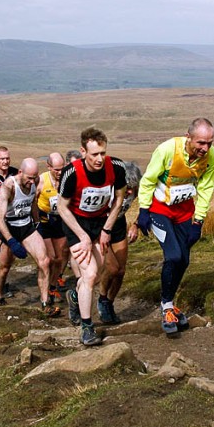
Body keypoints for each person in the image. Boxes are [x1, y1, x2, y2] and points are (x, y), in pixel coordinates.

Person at [136, 118, 214, 335]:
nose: (205, 148)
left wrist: (198, 221)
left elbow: (206, 188)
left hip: (184, 212)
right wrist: (144, 210)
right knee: (172, 256)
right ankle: (166, 307)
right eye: (201, 142)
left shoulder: (212, 157)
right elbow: (148, 180)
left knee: (184, 259)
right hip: (160, 210)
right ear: (188, 137)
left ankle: (171, 304)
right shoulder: (166, 150)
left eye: (209, 143)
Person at [58, 127, 128, 346]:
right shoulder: (71, 173)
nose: (99, 159)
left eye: (103, 153)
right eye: (94, 154)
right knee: (89, 275)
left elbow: (119, 198)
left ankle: (76, 298)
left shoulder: (116, 167)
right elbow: (62, 207)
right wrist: (82, 236)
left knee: (96, 274)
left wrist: (107, 228)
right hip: (76, 223)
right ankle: (87, 328)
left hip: (100, 222)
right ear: (83, 151)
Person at [0, 158, 60, 317]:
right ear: (20, 172)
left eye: (34, 177)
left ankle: (45, 303)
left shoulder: (36, 181)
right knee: (4, 266)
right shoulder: (9, 186)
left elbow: (33, 203)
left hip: (26, 226)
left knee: (44, 261)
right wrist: (10, 241)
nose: (32, 181)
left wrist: (37, 223)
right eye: (29, 178)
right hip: (8, 227)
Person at [96, 161, 142, 324]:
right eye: (127, 187)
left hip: (119, 225)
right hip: (100, 226)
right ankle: (101, 298)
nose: (129, 191)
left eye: (133, 188)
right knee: (113, 268)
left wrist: (136, 225)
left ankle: (109, 303)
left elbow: (147, 206)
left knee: (121, 271)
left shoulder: (136, 190)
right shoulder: (107, 189)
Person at [37, 152, 69, 302]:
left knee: (59, 258)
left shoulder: (66, 178)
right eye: (56, 169)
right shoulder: (42, 180)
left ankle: (53, 286)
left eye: (62, 168)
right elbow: (32, 200)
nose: (59, 172)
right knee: (50, 258)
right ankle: (46, 291)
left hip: (59, 220)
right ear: (48, 167)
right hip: (44, 222)